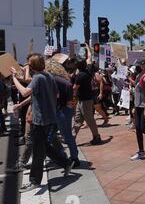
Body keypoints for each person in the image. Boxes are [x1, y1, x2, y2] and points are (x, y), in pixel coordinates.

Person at [10, 54, 74, 193]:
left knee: (38, 152)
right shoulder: (48, 76)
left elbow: (25, 92)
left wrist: (14, 78)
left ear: (32, 67)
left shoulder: (38, 78)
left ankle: (34, 181)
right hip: (49, 118)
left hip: (40, 120)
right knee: (43, 146)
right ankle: (66, 162)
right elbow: (55, 95)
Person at [72, 47, 103, 145]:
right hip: (82, 100)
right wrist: (87, 48)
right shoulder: (88, 70)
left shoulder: (80, 76)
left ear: (77, 66)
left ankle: (97, 137)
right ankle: (72, 137)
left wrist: (73, 99)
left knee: (89, 120)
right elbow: (89, 57)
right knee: (78, 119)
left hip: (85, 101)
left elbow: (74, 88)